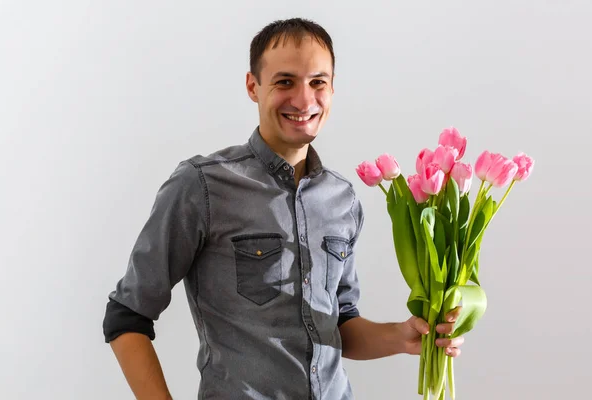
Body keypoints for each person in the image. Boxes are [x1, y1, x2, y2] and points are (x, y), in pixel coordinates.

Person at [102, 17, 465, 400]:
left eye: (317, 83)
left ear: (332, 89)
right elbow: (127, 316)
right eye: (285, 82)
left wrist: (402, 336)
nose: (305, 101)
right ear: (252, 86)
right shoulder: (202, 186)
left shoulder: (342, 198)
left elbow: (339, 323)